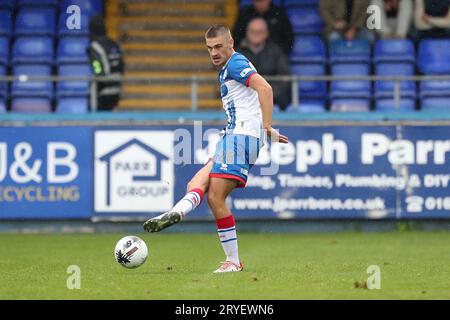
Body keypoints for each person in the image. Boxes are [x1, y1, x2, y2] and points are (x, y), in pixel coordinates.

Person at [143, 24, 289, 273]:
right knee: (196, 183)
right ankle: (176, 212)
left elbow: (265, 88)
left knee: (215, 197)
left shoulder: (234, 64)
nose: (214, 52)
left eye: (218, 46)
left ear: (231, 42)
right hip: (233, 135)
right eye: (210, 48)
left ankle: (233, 262)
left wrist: (266, 127)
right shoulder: (228, 68)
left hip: (241, 136)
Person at [238, 17, 291, 110]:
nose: (256, 34)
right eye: (253, 31)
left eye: (260, 31)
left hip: (273, 101)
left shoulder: (276, 51)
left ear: (266, 34)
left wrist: (267, 94)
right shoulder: (238, 54)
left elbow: (284, 78)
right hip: (244, 101)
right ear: (247, 33)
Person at [87, 16, 124, 111]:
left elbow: (98, 70)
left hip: (102, 92)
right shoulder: (114, 44)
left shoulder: (95, 47)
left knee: (98, 120)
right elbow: (121, 66)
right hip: (116, 90)